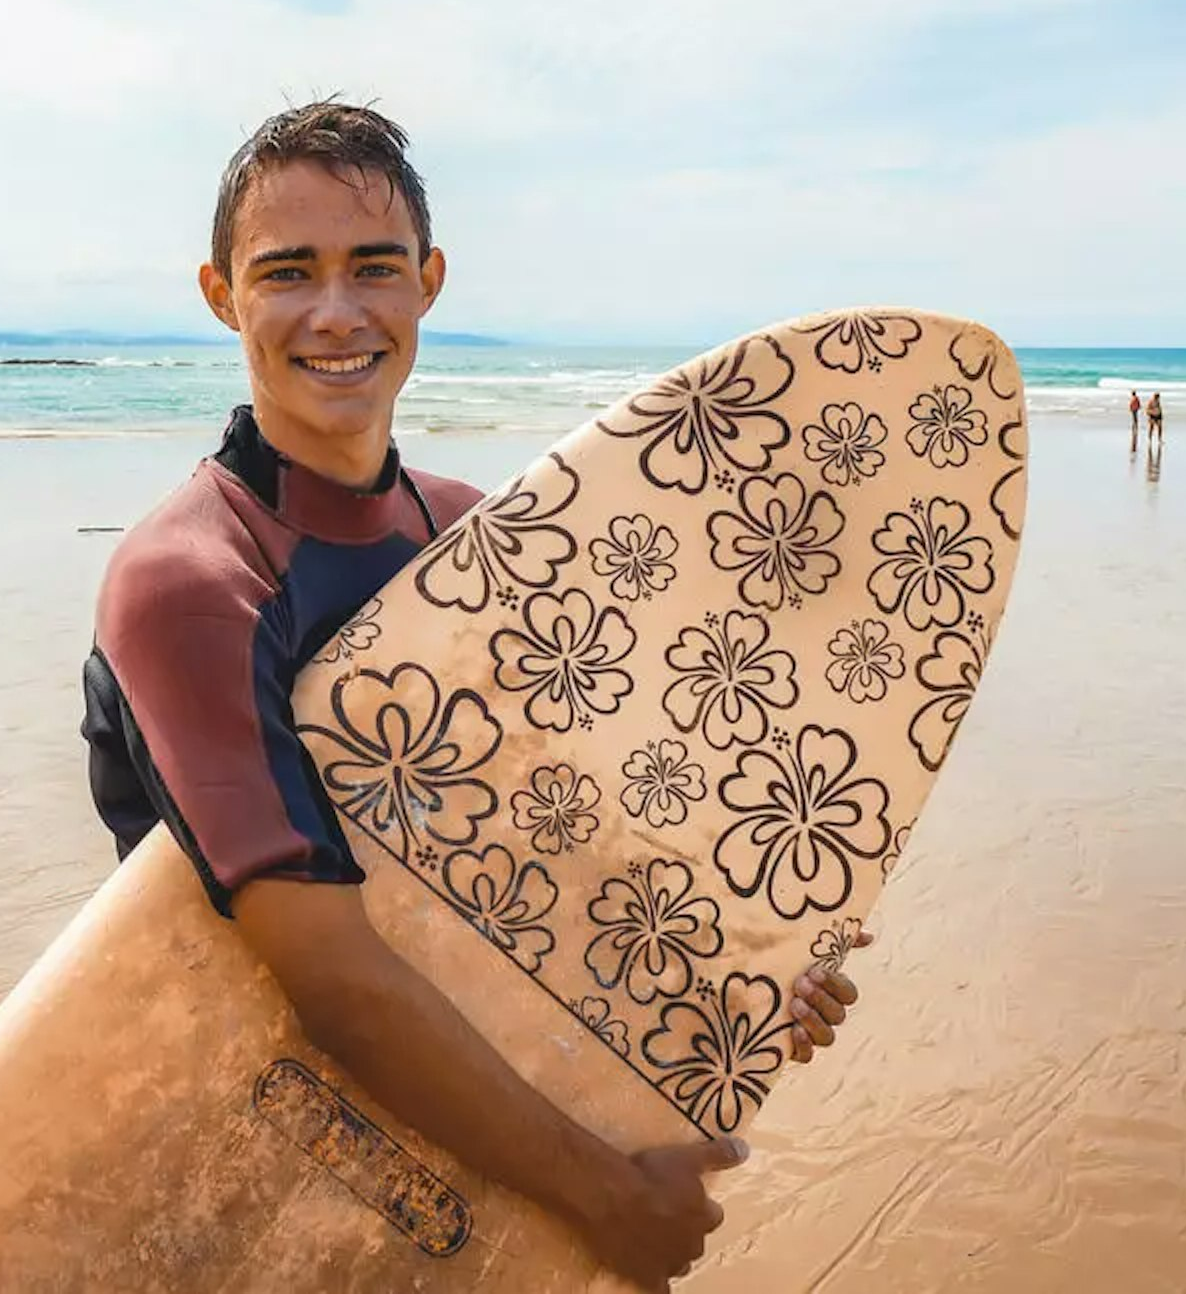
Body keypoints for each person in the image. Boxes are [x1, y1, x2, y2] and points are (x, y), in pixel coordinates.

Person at [78, 103, 861, 1290]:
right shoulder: (191, 580)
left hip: (489, 1145)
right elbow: (330, 974)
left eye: (373, 267)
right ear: (220, 294)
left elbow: (569, 846)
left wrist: (743, 974)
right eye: (287, 272)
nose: (336, 313)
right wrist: (606, 1197)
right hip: (284, 1169)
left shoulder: (469, 533)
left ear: (428, 283)